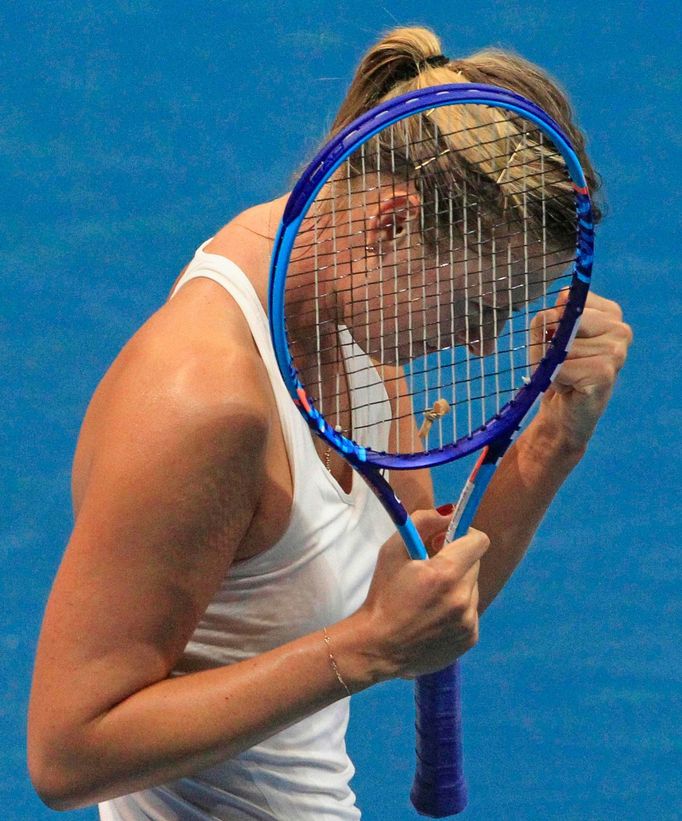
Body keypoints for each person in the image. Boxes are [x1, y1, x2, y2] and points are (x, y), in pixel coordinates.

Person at [28, 26, 632, 820]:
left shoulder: (352, 301)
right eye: (478, 307)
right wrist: (367, 646)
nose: (485, 343)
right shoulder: (205, 403)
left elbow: (431, 589)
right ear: (391, 222)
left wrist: (557, 435)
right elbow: (68, 753)